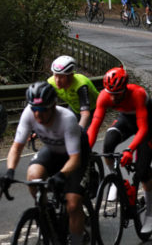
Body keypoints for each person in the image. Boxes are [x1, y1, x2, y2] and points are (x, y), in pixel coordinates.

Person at [2, 82, 90, 245]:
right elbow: (16, 147)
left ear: (53, 106)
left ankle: (77, 240)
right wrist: (10, 172)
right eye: (35, 110)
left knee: (73, 203)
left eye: (43, 110)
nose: (38, 116)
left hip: (76, 154)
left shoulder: (67, 119)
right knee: (33, 177)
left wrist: (61, 175)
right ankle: (47, 217)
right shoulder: (28, 113)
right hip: (52, 149)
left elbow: (75, 159)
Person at [87, 67, 152, 234]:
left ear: (125, 88)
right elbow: (94, 127)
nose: (113, 97)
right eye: (110, 92)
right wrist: (85, 150)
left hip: (145, 123)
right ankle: (116, 180)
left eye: (117, 93)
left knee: (143, 170)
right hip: (125, 119)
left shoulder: (138, 94)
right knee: (108, 145)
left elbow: (142, 129)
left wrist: (129, 150)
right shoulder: (104, 96)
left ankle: (149, 213)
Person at [47, 55, 99, 128]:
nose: (57, 81)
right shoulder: (51, 82)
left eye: (61, 77)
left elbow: (85, 114)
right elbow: (43, 105)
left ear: (70, 75)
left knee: (84, 135)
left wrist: (80, 131)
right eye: (55, 75)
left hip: (93, 109)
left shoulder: (80, 85)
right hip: (74, 108)